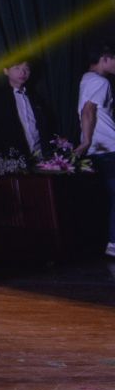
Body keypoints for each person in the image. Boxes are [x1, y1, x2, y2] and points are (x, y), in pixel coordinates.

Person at [71, 44, 115, 259]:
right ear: (105, 58)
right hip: (107, 147)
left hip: (101, 149)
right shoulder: (99, 81)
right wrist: (87, 141)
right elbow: (88, 110)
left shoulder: (87, 79)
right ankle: (113, 242)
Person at [0, 60, 54, 156]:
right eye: (17, 68)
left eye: (26, 68)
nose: (23, 72)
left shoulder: (35, 96)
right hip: (15, 158)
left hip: (41, 155)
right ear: (6, 71)